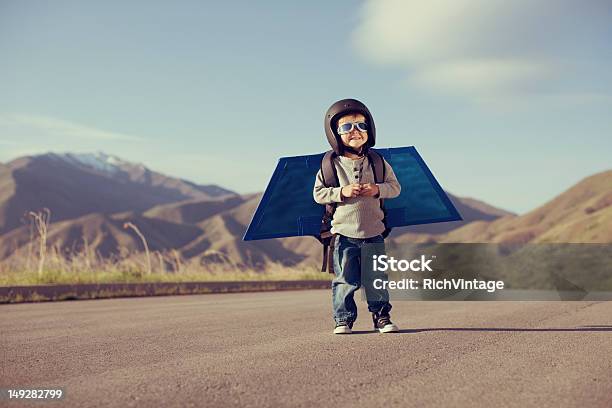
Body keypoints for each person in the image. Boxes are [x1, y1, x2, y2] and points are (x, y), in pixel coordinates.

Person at [313, 98, 401, 334]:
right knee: (345, 280)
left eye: (361, 125)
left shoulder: (378, 162)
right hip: (344, 234)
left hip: (374, 233)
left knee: (376, 279)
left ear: (369, 130)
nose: (355, 131)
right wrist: (342, 191)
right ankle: (343, 319)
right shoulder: (329, 165)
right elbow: (319, 194)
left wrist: (377, 189)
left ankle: (381, 317)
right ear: (335, 134)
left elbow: (395, 187)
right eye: (347, 127)